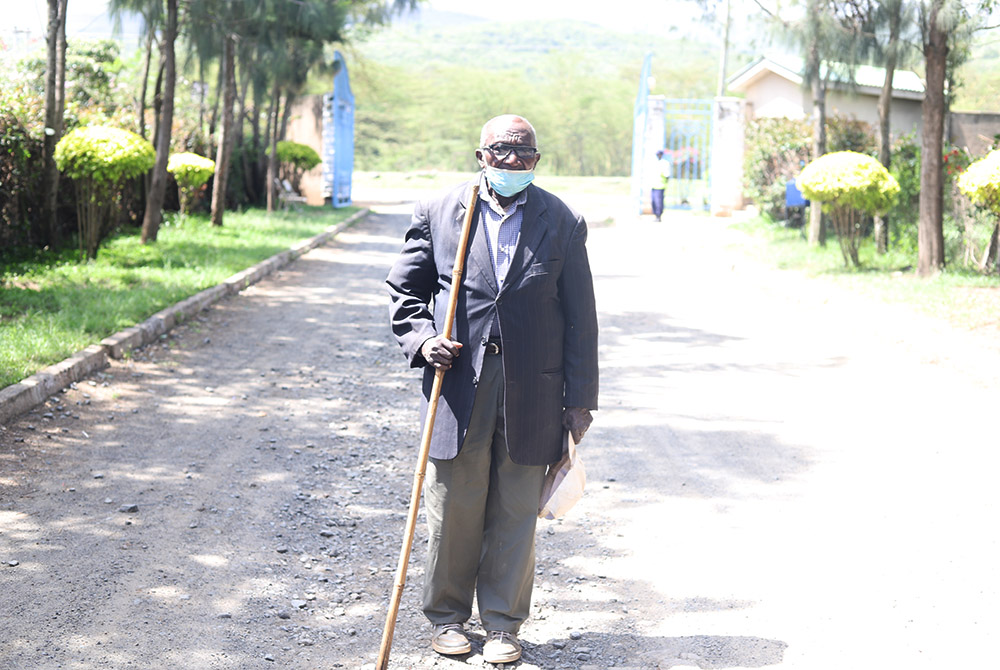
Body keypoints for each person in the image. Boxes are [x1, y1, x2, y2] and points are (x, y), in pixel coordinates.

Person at [386, 114, 599, 665]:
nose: (512, 162)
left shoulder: (562, 219)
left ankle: (504, 624)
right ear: (480, 154)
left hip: (534, 389)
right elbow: (404, 292)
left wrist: (580, 401)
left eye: (524, 154)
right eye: (501, 152)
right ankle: (449, 617)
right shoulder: (439, 211)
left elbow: (581, 320)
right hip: (458, 383)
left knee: (516, 506)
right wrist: (423, 339)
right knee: (453, 503)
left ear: (535, 159)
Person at [650, 149, 671, 221]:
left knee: (658, 202)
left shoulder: (665, 163)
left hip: (660, 186)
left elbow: (667, 175)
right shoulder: (655, 163)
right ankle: (655, 214)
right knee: (653, 201)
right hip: (653, 185)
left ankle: (658, 216)